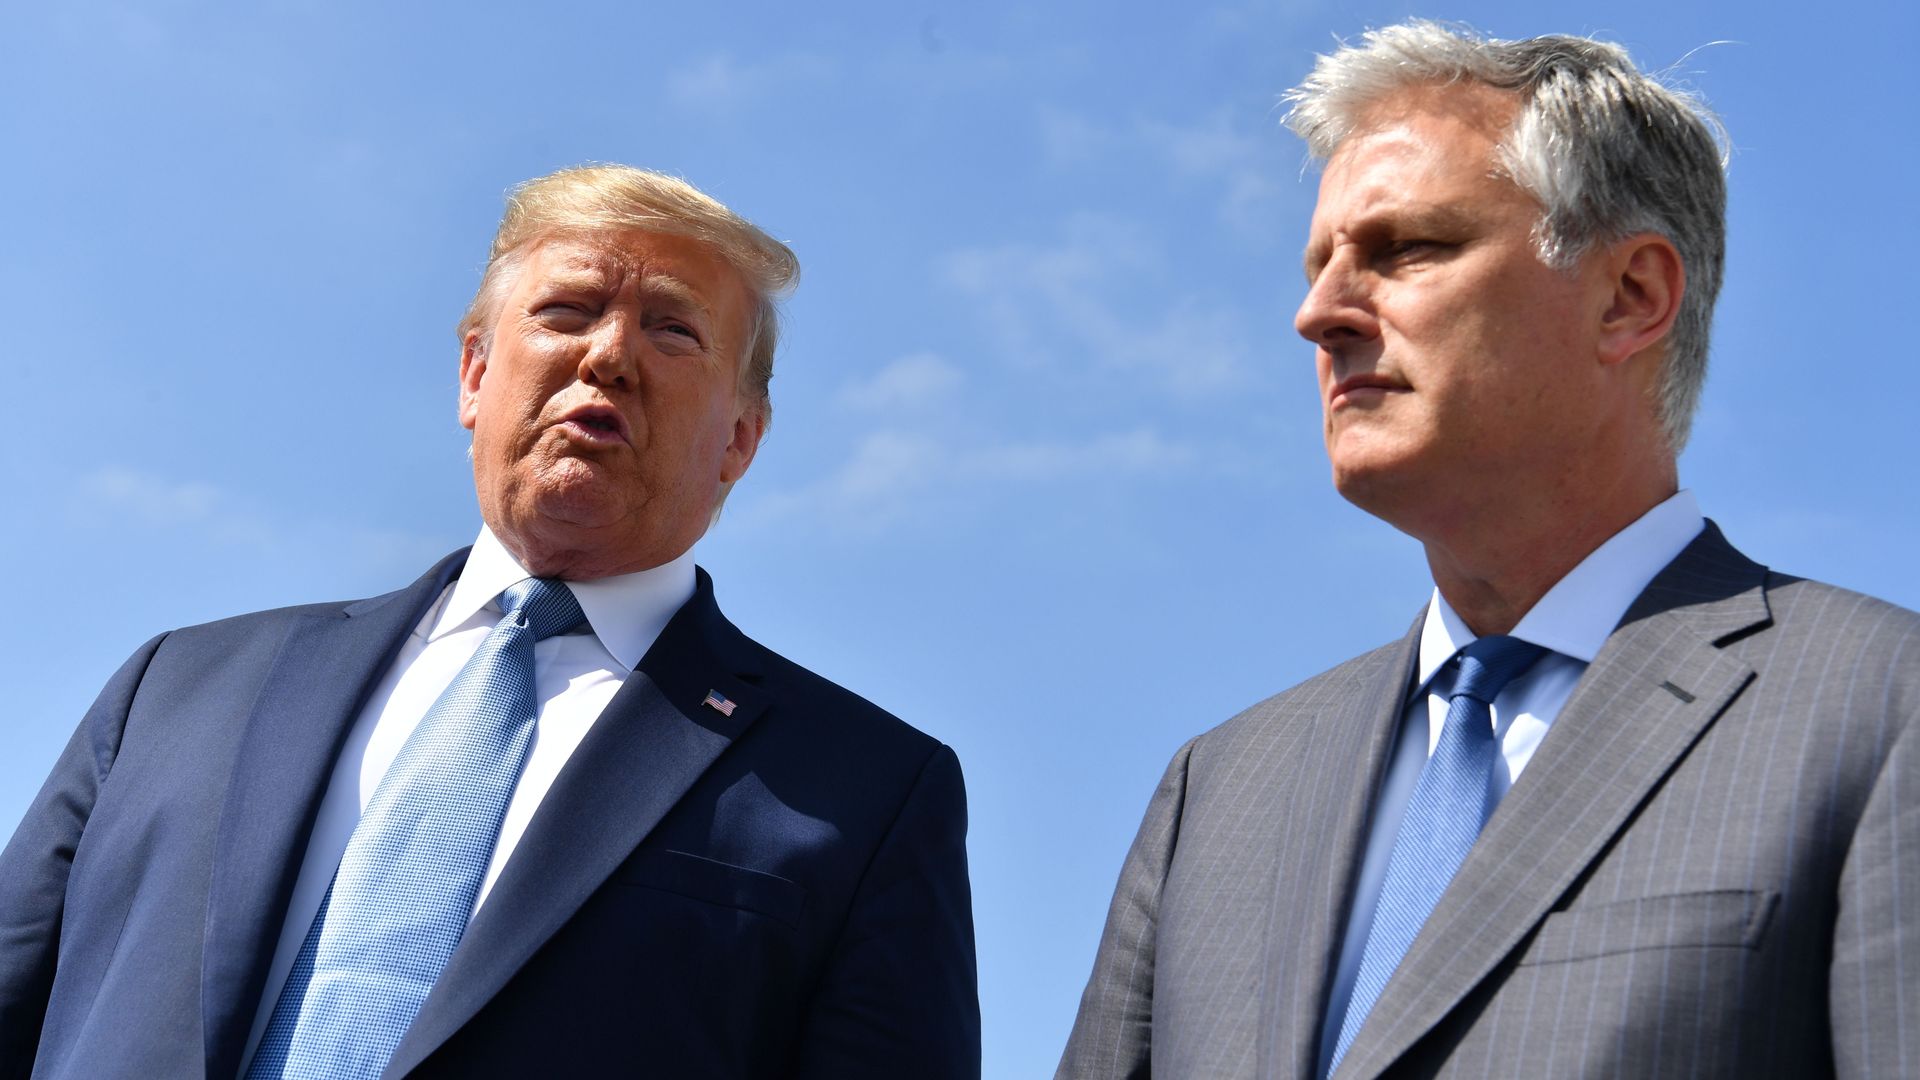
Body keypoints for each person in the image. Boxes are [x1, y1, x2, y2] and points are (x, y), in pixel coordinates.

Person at [1059, 21, 1917, 1080]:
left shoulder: (1880, 709)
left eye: (1405, 249)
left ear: (1631, 296)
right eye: (1321, 262)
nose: (1317, 315)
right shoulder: (1217, 792)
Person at [0, 166, 979, 1079]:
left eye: (673, 331)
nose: (608, 355)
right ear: (474, 374)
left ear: (741, 438)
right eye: (567, 311)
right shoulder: (172, 691)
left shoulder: (866, 794)